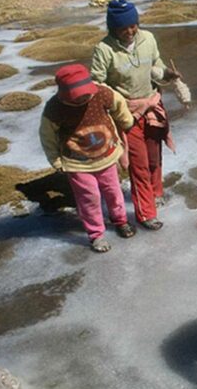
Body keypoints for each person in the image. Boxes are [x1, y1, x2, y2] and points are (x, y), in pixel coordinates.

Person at [90, 0, 181, 231]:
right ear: (113, 27)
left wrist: (166, 74)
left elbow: (155, 65)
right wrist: (119, 103)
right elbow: (97, 83)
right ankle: (146, 213)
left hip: (151, 106)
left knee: (153, 157)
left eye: (133, 25)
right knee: (138, 164)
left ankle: (155, 192)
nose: (130, 31)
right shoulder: (104, 49)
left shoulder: (148, 38)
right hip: (125, 114)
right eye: (123, 27)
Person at [39, 64, 136, 253]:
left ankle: (120, 220)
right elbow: (47, 136)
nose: (84, 98)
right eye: (78, 96)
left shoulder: (103, 93)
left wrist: (126, 122)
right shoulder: (54, 109)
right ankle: (96, 234)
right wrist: (56, 160)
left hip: (106, 156)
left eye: (86, 93)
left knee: (113, 191)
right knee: (89, 198)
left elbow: (119, 104)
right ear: (64, 94)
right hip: (77, 163)